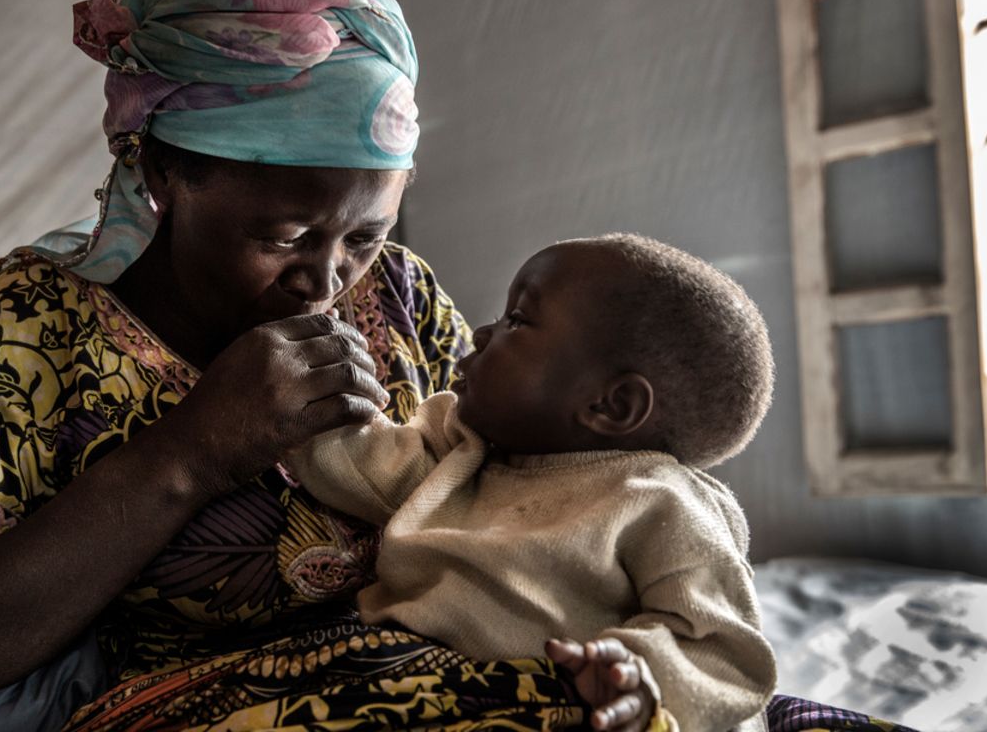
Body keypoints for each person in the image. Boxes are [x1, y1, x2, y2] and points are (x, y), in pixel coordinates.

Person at [0, 0, 926, 732]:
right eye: (290, 232)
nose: (328, 276)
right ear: (162, 170)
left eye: (367, 230)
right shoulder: (39, 323)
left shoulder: (392, 292)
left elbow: (541, 479)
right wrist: (189, 451)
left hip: (496, 671)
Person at [285, 233, 778, 732]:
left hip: (558, 700)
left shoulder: (662, 502)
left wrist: (634, 675)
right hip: (403, 685)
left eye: (516, 321)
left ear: (612, 405)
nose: (480, 333)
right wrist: (302, 398)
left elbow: (722, 649)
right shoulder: (460, 445)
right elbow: (359, 467)